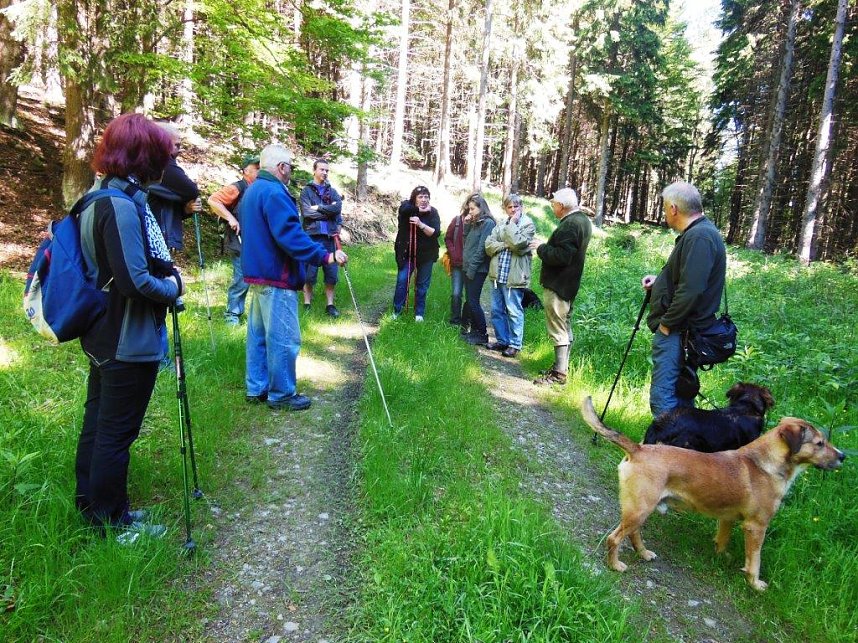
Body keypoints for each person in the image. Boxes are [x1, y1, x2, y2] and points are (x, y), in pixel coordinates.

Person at [75, 113, 184, 538]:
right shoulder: (119, 206)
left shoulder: (97, 195)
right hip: (125, 337)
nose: (165, 162)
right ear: (142, 155)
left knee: (99, 422)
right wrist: (173, 286)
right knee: (116, 432)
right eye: (160, 153)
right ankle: (111, 522)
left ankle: (93, 506)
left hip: (103, 330)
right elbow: (135, 280)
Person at [240, 144, 348, 411]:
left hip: (258, 275)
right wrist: (326, 256)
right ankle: (282, 394)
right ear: (281, 167)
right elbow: (290, 236)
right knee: (283, 338)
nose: (290, 171)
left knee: (258, 336)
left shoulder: (253, 189)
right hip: (277, 275)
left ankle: (257, 388)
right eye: (289, 165)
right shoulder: (274, 192)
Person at [642, 181, 726, 417]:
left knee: (664, 398)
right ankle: (684, 450)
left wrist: (667, 325)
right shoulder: (698, 233)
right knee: (680, 396)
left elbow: (692, 289)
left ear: (673, 208)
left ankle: (667, 451)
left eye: (664, 207)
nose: (664, 212)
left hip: (679, 332)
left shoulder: (700, 237)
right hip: (683, 331)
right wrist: (659, 283)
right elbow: (688, 280)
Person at [147, 122, 201, 368]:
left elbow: (169, 199)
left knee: (157, 299)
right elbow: (189, 188)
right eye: (176, 144)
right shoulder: (161, 164)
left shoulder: (157, 165)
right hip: (153, 242)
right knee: (155, 298)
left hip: (157, 238)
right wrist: (185, 200)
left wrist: (184, 208)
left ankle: (161, 357)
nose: (179, 150)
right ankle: (160, 359)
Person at [530, 188, 592, 385]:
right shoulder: (582, 220)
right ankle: (560, 368)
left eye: (553, 203)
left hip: (559, 283)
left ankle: (559, 375)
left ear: (562, 206)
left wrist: (540, 247)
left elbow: (562, 256)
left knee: (558, 327)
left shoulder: (571, 224)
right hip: (568, 283)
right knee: (563, 325)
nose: (552, 206)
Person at [207, 154, 260, 325]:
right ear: (246, 171)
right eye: (256, 167)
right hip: (239, 240)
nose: (260, 170)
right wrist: (231, 218)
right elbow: (213, 200)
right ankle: (232, 314)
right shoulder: (237, 188)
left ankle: (256, 316)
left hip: (256, 242)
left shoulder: (260, 188)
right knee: (242, 277)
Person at [484, 193, 535, 358]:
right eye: (509, 207)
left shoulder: (527, 224)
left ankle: (515, 344)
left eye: (516, 206)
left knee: (514, 310)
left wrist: (512, 226)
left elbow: (518, 244)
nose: (513, 210)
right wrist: (506, 243)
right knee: (497, 310)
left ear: (521, 207)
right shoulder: (500, 224)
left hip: (514, 276)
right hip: (498, 275)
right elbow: (489, 246)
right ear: (505, 208)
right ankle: (502, 341)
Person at [300, 158, 344, 317]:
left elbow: (337, 208)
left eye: (327, 170)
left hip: (330, 236)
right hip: (312, 236)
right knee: (309, 272)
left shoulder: (332, 191)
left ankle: (330, 305)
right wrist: (328, 211)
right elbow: (306, 213)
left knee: (331, 272)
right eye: (322, 169)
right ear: (314, 171)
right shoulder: (306, 191)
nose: (324, 173)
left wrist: (318, 207)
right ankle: (307, 303)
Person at [392, 185, 441, 321]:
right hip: (407, 253)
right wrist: (418, 210)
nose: (424, 199)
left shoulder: (433, 212)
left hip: (426, 255)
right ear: (414, 198)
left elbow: (436, 232)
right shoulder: (407, 208)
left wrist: (420, 224)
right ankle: (397, 311)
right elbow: (404, 210)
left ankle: (419, 313)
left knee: (422, 285)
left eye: (426, 197)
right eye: (420, 197)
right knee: (402, 281)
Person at [461, 194, 496, 345]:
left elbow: (482, 248)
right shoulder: (476, 222)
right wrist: (467, 223)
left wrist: (472, 269)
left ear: (482, 208)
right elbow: (466, 240)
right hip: (469, 267)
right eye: (469, 209)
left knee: (473, 302)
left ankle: (482, 334)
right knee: (470, 300)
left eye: (473, 209)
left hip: (477, 269)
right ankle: (474, 332)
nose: (471, 212)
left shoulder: (488, 223)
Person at [444, 202, 468, 329]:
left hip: (472, 266)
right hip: (457, 264)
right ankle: (455, 319)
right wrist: (453, 252)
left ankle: (467, 321)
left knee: (471, 297)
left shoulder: (481, 222)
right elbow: (447, 238)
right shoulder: (457, 221)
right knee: (456, 293)